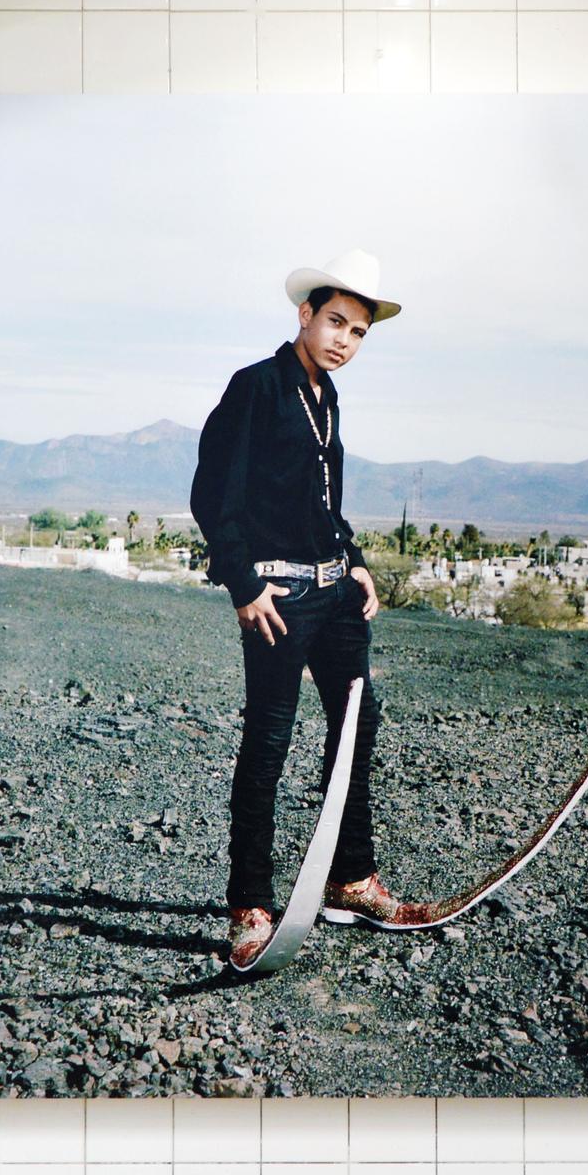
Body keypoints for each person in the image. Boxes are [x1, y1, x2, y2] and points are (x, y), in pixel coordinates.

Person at [190, 249, 435, 968]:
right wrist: (241, 583)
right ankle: (250, 904)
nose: (344, 340)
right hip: (279, 597)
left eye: (357, 331)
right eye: (335, 322)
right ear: (305, 314)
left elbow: (321, 500)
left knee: (359, 722)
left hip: (334, 592)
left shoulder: (325, 395)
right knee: (268, 742)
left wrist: (354, 559)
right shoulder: (257, 388)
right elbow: (213, 495)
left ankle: (352, 877)